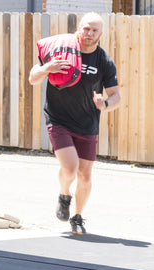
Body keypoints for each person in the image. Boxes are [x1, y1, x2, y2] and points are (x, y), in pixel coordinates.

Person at [28, 12, 121, 235]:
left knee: (85, 176)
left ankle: (77, 216)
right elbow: (33, 78)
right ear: (79, 28)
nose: (89, 33)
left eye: (94, 30)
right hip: (58, 119)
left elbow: (116, 96)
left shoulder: (104, 61)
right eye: (86, 28)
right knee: (70, 168)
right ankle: (64, 194)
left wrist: (105, 104)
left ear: (101, 33)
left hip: (87, 123)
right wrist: (46, 68)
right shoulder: (62, 49)